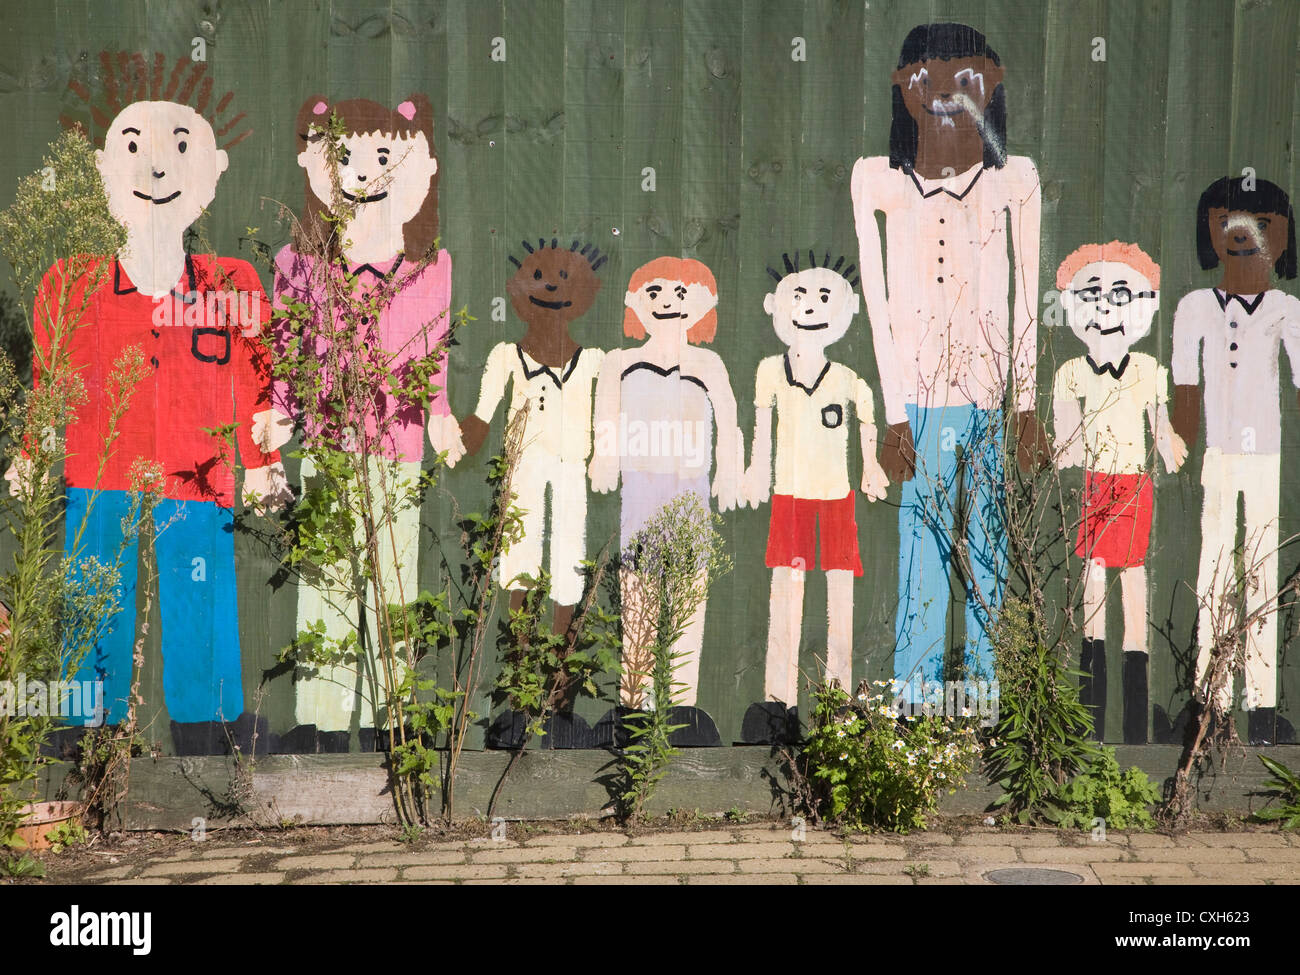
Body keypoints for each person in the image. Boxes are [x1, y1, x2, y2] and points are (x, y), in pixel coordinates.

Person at [12, 98, 288, 755]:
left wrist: (264, 461)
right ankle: (87, 729)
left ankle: (209, 727)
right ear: (108, 170)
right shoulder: (71, 286)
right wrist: (32, 452)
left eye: (180, 149)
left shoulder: (232, 284)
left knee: (205, 588)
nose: (158, 165)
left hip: (198, 473)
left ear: (213, 172)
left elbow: (258, 381)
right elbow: (49, 382)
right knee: (94, 583)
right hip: (100, 469)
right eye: (135, 148)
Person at [851, 22, 1046, 700]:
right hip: (920, 397)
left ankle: (987, 694)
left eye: (964, 80)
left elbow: (1027, 297)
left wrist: (1024, 403)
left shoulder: (1012, 181)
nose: (943, 95)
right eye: (924, 82)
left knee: (989, 542)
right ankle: (917, 695)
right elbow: (876, 299)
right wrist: (893, 409)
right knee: (922, 543)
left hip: (989, 394)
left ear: (990, 87)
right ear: (902, 93)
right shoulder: (879, 182)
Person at [266, 95, 460, 752]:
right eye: (347, 156)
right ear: (323, 166)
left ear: (412, 168)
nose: (365, 171)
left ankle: (393, 724)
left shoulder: (429, 267)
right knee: (326, 583)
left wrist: (439, 416)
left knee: (395, 582)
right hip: (329, 447)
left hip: (399, 450)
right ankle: (319, 725)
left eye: (383, 156)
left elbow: (432, 351)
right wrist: (279, 414)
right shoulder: (301, 266)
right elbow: (289, 349)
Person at [1167, 175, 1300, 746]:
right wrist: (1179, 437)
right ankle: (1211, 698)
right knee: (1214, 570)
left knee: (1261, 570)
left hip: (1263, 454)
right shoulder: (1195, 305)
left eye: (1261, 225)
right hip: (1218, 454)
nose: (1242, 234)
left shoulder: (1287, 308)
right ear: (1210, 233)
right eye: (1225, 222)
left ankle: (1263, 705)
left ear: (1282, 236)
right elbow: (1184, 379)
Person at [588, 256, 741, 746]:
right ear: (634, 302)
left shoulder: (708, 364)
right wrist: (604, 458)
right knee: (639, 597)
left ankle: (680, 707)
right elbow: (605, 417)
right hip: (640, 489)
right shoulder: (620, 362)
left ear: (703, 304)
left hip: (691, 491)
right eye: (654, 292)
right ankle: (635, 710)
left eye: (682, 292)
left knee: (688, 599)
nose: (669, 302)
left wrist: (731, 471)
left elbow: (731, 423)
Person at [461, 238, 606, 747]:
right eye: (539, 276)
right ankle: (522, 690)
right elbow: (480, 418)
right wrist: (450, 433)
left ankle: (560, 696)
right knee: (518, 562)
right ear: (517, 289)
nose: (550, 287)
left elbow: (605, 419)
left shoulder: (593, 362)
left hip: (570, 468)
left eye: (564, 279)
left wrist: (604, 456)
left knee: (568, 562)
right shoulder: (505, 357)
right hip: (521, 468)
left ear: (587, 292)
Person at [740, 252, 889, 744]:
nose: (810, 306)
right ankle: (778, 701)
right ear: (775, 306)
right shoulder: (769, 371)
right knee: (786, 596)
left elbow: (869, 419)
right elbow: (762, 429)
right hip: (790, 498)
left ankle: (837, 703)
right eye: (798, 296)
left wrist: (870, 467)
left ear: (847, 307)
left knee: (839, 600)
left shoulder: (847, 379)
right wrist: (755, 472)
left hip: (835, 499)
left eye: (824, 296)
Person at [1052, 241, 1186, 744]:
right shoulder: (1069, 374)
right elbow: (1065, 444)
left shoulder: (1150, 371)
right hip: (1094, 487)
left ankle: (1133, 722)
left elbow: (1162, 432)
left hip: (1134, 485)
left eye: (1120, 293)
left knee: (1132, 584)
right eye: (1092, 293)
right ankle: (1089, 717)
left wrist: (1174, 448)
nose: (1105, 304)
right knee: (1091, 590)